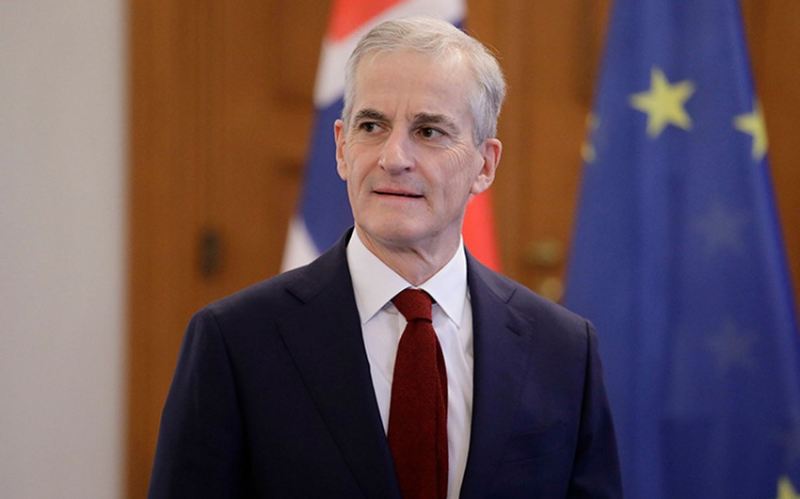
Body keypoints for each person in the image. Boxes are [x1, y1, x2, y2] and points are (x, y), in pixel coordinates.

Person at [148, 17, 622, 499]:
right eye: (372, 126)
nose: (393, 158)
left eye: (429, 131)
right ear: (341, 148)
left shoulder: (563, 350)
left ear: (485, 164)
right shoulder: (235, 341)